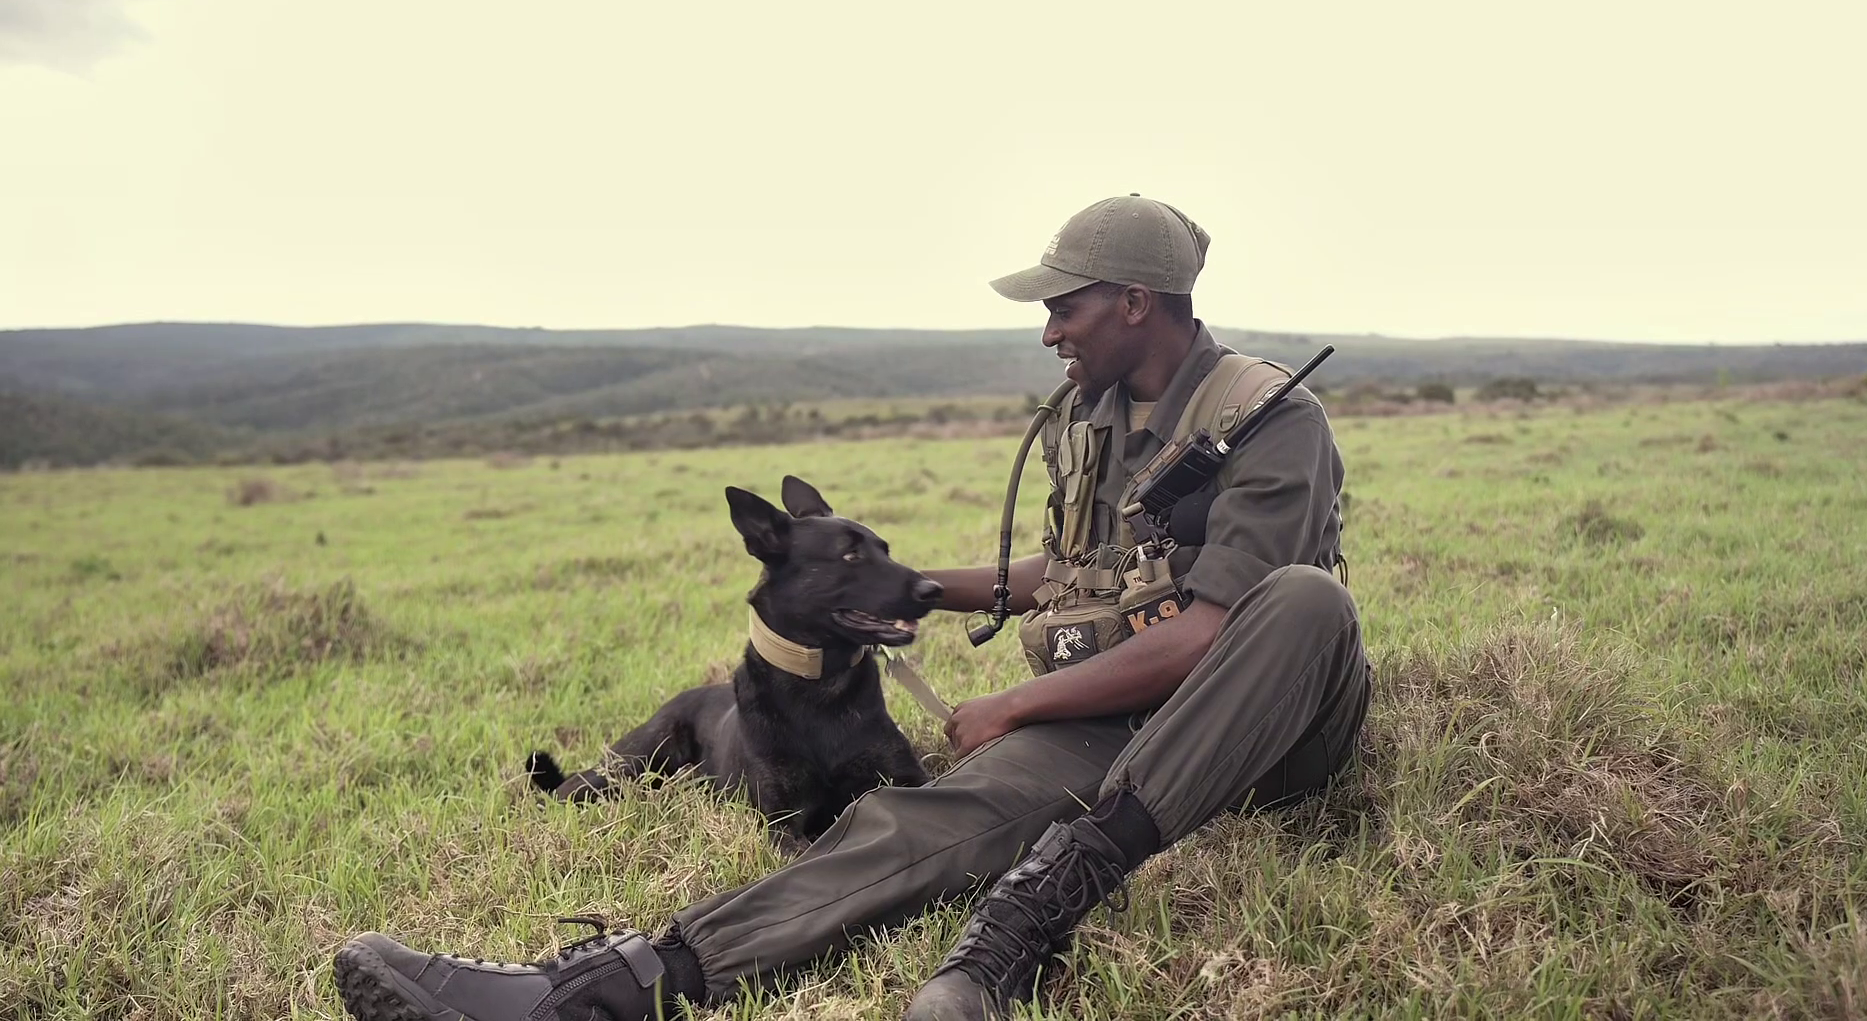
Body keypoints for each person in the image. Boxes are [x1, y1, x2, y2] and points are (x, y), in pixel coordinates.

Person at [331, 195, 1371, 1021]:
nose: (1048, 329)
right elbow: (1077, 571)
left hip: (1263, 729)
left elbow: (1215, 633)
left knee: (1303, 603)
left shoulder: (1265, 417)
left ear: (1137, 301)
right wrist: (912, 584)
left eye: (1067, 306)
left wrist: (1011, 708)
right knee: (907, 820)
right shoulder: (1092, 418)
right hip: (1120, 713)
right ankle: (598, 990)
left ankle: (1035, 905)